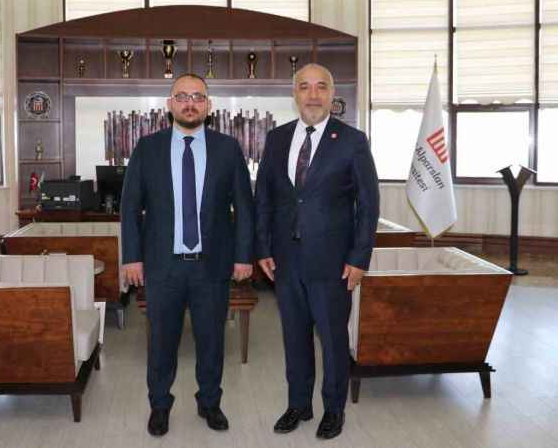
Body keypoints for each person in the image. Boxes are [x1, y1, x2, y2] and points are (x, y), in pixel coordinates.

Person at [121, 73, 255, 437]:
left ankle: (209, 402)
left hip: (211, 268)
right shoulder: (147, 148)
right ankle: (159, 405)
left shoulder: (228, 149)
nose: (190, 103)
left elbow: (245, 208)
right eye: (182, 96)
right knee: (161, 343)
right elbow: (130, 208)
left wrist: (244, 256)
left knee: (211, 342)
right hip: (162, 267)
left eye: (197, 97)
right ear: (170, 104)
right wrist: (131, 257)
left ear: (208, 106)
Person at [255, 63, 379, 440]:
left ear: (331, 94)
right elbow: (264, 198)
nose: (313, 95)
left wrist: (359, 258)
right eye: (305, 87)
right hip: (285, 262)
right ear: (294, 94)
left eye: (321, 87)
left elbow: (368, 205)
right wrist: (263, 246)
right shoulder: (276, 138)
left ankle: (333, 409)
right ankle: (298, 405)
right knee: (294, 338)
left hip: (333, 264)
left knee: (333, 340)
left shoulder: (352, 141)